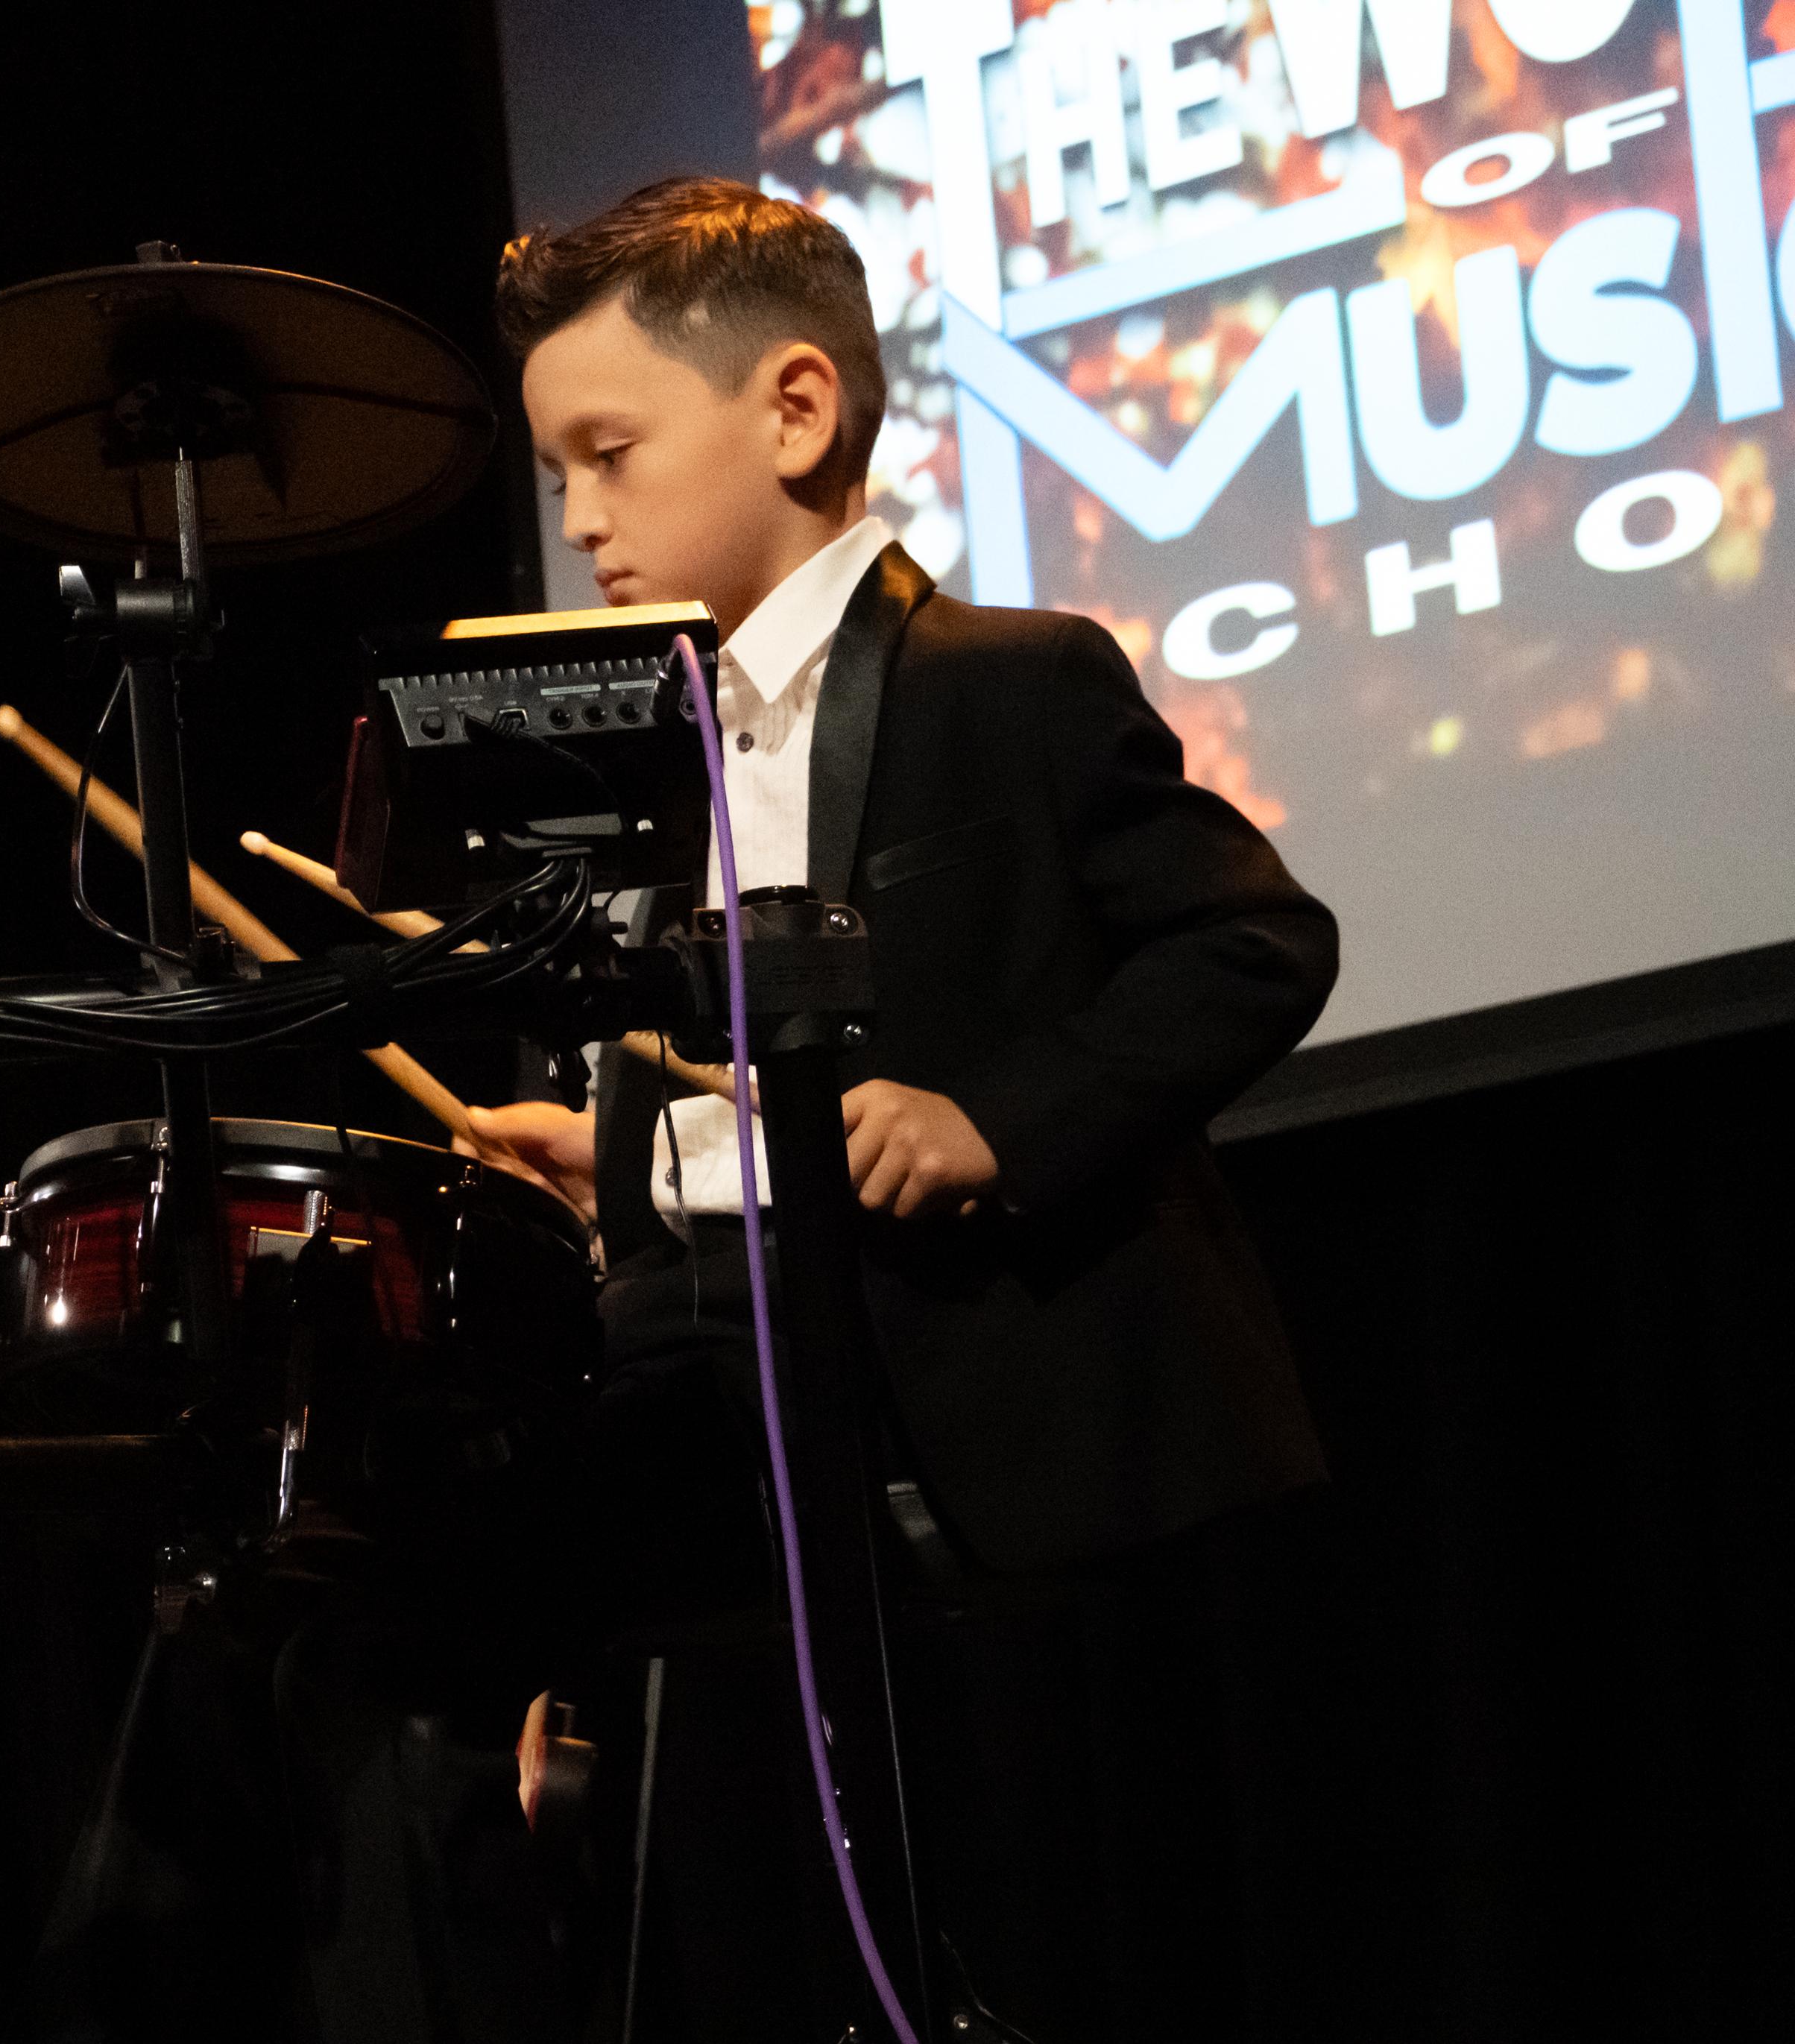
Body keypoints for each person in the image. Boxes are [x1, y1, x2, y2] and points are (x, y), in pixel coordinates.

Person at [464, 178, 1341, 2043]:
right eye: (562, 472)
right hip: (768, 1499)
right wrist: (629, 1164)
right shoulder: (669, 748)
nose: (582, 516)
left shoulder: (1003, 681)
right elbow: (754, 1099)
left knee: (1068, 1964)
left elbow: (1252, 947)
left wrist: (994, 1123)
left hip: (1018, 1494)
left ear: (794, 410)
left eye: (607, 453)